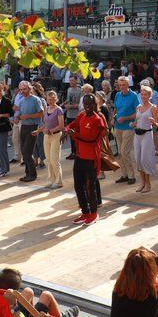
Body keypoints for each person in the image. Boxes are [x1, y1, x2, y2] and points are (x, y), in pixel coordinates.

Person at [0, 268, 79, 317]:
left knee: (28, 291)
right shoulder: (13, 309)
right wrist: (13, 307)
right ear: (13, 291)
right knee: (46, 295)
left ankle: (32, 314)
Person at [66, 93, 107, 225]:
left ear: (95, 105)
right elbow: (71, 125)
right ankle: (85, 212)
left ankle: (94, 214)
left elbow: (92, 140)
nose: (87, 106)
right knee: (78, 185)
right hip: (79, 156)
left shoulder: (97, 120)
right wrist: (67, 130)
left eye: (90, 104)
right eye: (85, 104)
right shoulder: (81, 115)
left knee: (90, 186)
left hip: (91, 158)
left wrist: (74, 135)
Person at [13, 81, 44, 182]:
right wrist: (17, 118)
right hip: (24, 126)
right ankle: (28, 173)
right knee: (24, 151)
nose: (22, 91)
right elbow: (20, 114)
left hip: (33, 126)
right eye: (21, 90)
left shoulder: (36, 99)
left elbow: (41, 113)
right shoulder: (21, 101)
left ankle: (32, 174)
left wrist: (28, 116)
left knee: (27, 152)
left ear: (29, 89)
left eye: (24, 89)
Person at [113, 76, 141, 186]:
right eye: (120, 85)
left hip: (129, 127)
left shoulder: (133, 96)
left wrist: (125, 118)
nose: (121, 87)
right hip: (117, 127)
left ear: (128, 85)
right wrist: (113, 117)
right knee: (120, 153)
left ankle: (131, 176)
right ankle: (124, 175)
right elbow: (116, 109)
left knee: (124, 152)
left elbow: (137, 113)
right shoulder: (117, 95)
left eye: (123, 85)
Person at [132, 85, 158, 194]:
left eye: (145, 94)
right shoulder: (138, 107)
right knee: (138, 159)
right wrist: (133, 124)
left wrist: (154, 122)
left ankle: (148, 184)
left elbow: (157, 125)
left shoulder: (153, 107)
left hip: (147, 135)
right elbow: (137, 121)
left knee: (144, 159)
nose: (143, 96)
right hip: (137, 135)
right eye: (142, 94)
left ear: (149, 96)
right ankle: (142, 183)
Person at [36, 90, 64, 189]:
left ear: (55, 99)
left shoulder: (59, 110)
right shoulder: (46, 109)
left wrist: (50, 131)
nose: (49, 101)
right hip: (46, 136)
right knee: (48, 159)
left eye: (51, 99)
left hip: (56, 136)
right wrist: (38, 131)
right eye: (48, 99)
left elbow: (61, 126)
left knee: (54, 160)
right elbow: (45, 124)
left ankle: (58, 181)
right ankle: (51, 180)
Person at [64, 76, 83, 159]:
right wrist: (63, 104)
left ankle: (78, 152)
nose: (71, 82)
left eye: (72, 80)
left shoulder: (80, 90)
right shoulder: (69, 89)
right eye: (70, 80)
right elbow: (68, 100)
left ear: (76, 80)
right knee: (70, 134)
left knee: (77, 134)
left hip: (76, 115)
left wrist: (70, 106)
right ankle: (73, 152)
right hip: (69, 115)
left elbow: (81, 104)